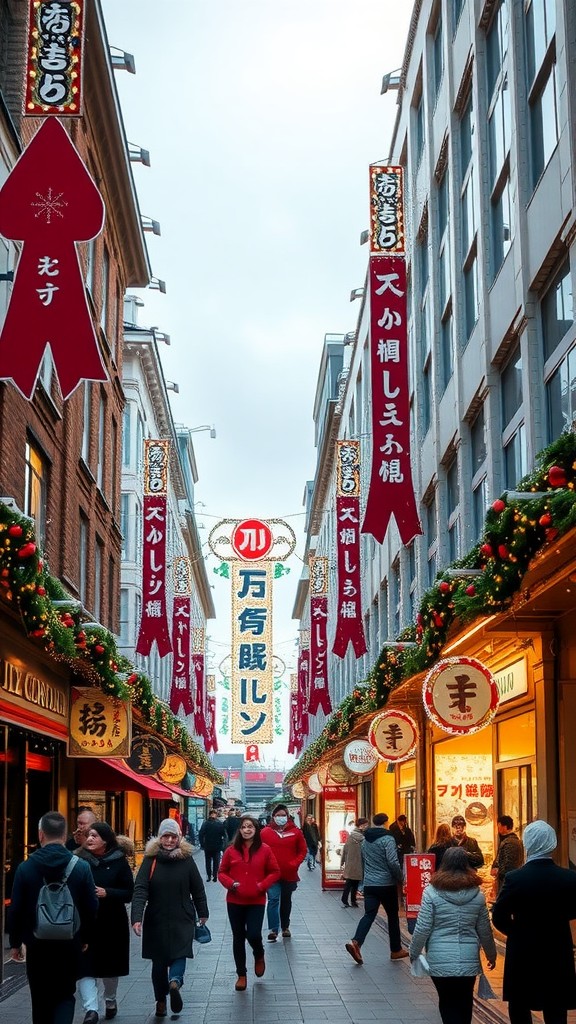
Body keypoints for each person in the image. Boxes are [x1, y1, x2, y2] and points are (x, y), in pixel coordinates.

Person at [8, 810, 98, 1024]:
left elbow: (16, 908)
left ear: (40, 835)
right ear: (65, 834)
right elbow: (91, 906)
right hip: (70, 942)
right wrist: (85, 938)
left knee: (40, 999)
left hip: (37, 944)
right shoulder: (80, 867)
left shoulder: (26, 868)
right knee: (66, 995)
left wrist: (15, 943)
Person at [492, 820, 576, 1024]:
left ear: (527, 844)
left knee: (520, 1005)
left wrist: (517, 931)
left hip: (523, 951)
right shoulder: (569, 878)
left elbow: (498, 915)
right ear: (552, 843)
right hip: (557, 947)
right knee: (556, 1006)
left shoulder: (515, 878)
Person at [409, 846, 496, 1024]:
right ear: (466, 865)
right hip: (469, 959)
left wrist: (414, 951)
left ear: (444, 864)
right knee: (464, 1002)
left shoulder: (431, 892)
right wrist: (491, 955)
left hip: (439, 959)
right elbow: (485, 930)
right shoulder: (477, 895)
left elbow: (423, 927)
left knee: (447, 1002)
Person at [131, 818, 209, 1019]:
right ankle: (167, 991)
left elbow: (197, 888)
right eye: (165, 836)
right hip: (156, 918)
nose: (169, 840)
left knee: (179, 954)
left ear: (179, 838)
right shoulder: (151, 859)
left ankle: (168, 990)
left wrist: (203, 912)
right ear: (160, 837)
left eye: (173, 836)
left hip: (182, 916)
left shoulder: (186, 859)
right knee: (160, 963)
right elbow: (140, 889)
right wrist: (136, 917)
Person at [76, 823, 135, 1022]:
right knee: (85, 966)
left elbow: (129, 892)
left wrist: (107, 892)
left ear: (106, 840)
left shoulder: (119, 862)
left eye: (94, 835)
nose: (90, 839)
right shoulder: (78, 860)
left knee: (110, 968)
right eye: (88, 835)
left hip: (112, 922)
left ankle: (110, 999)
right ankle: (91, 1009)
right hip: (85, 922)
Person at [218, 815, 280, 990]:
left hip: (256, 900)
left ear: (256, 830)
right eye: (244, 827)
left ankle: (259, 953)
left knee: (253, 934)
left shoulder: (265, 850)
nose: (247, 830)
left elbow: (275, 872)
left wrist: (262, 885)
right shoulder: (231, 850)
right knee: (238, 937)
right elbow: (221, 872)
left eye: (250, 827)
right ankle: (241, 974)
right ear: (240, 830)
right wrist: (231, 884)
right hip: (235, 900)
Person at [345, 812, 407, 965]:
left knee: (369, 914)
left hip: (370, 884)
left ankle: (356, 942)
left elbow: (364, 861)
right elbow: (392, 861)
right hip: (386, 884)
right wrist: (400, 877)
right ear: (386, 822)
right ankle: (395, 949)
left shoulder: (365, 840)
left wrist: (363, 882)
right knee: (392, 916)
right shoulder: (388, 839)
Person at [261, 803, 307, 941]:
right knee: (273, 899)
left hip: (289, 873)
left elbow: (302, 850)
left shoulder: (296, 832)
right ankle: (273, 929)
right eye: (278, 815)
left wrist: (294, 863)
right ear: (273, 816)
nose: (280, 818)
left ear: (288, 816)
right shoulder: (265, 833)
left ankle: (285, 926)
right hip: (271, 874)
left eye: (283, 815)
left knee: (286, 900)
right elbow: (258, 851)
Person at [490, 815, 523, 896]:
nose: (498, 829)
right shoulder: (512, 840)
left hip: (508, 882)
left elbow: (509, 865)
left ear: (504, 827)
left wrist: (498, 872)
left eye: (499, 826)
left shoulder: (510, 842)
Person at [340, 817, 368, 907]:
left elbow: (345, 850)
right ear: (361, 826)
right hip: (358, 862)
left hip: (351, 862)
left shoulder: (351, 836)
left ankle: (349, 899)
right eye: (365, 825)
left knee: (351, 881)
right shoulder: (362, 837)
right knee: (352, 882)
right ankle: (350, 899)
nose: (366, 827)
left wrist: (343, 861)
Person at [198, 809, 225, 881]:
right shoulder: (219, 823)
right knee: (216, 862)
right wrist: (222, 845)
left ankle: (209, 876)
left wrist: (202, 845)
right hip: (216, 847)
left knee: (208, 862)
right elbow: (224, 835)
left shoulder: (205, 823)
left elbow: (201, 834)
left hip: (208, 846)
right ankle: (215, 876)